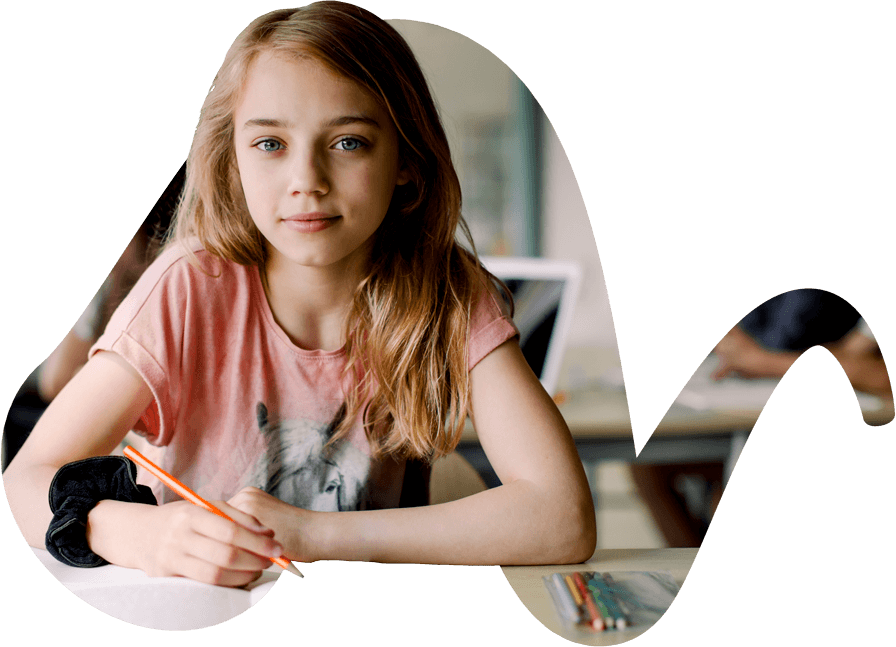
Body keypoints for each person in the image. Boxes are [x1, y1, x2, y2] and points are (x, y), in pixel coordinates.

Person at [4, 2, 595, 588]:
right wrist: (138, 534)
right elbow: (22, 483)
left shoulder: (446, 292)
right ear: (233, 160)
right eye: (269, 144)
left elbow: (562, 517)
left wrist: (312, 535)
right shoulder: (188, 286)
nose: (306, 180)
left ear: (407, 161)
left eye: (348, 143)